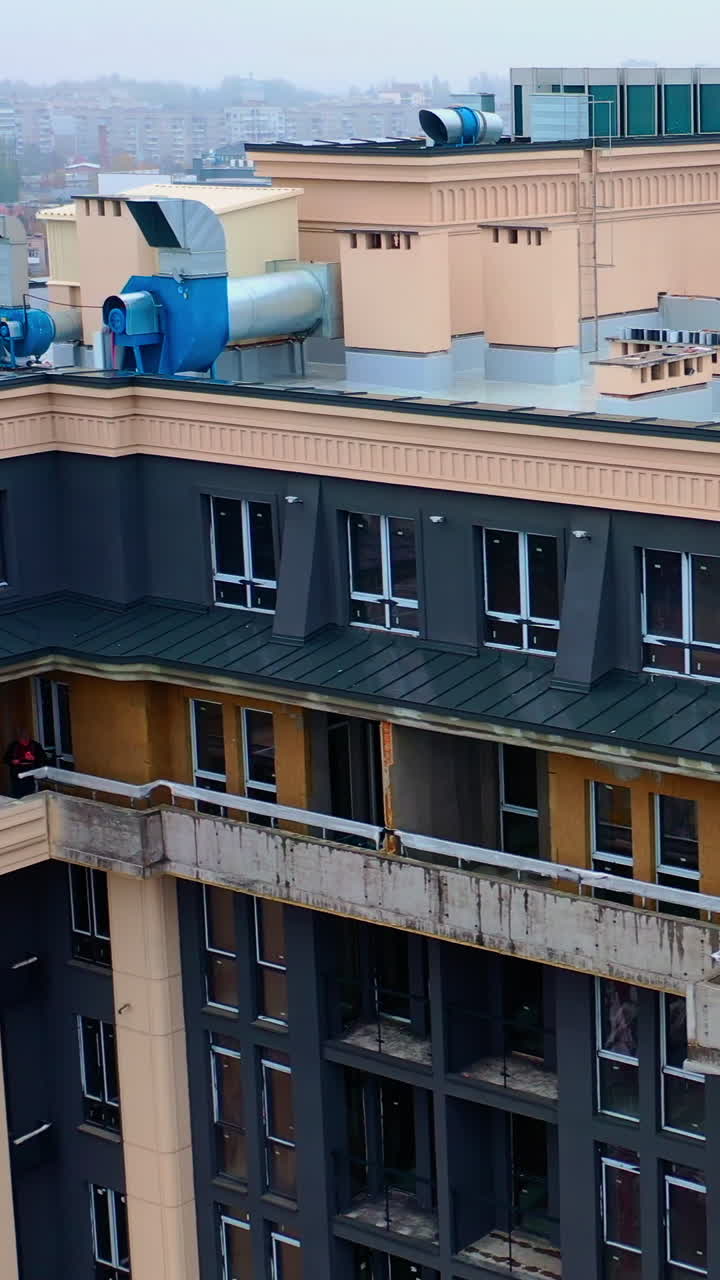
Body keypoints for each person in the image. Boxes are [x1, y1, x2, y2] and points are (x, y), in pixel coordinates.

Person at [3, 729, 47, 799]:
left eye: (26, 737)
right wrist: (12, 761)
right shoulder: (13, 745)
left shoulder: (35, 745)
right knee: (17, 795)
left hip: (30, 774)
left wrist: (34, 758)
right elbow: (5, 759)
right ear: (18, 738)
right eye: (21, 738)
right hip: (17, 774)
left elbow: (44, 758)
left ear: (29, 737)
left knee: (30, 795)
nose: (24, 740)